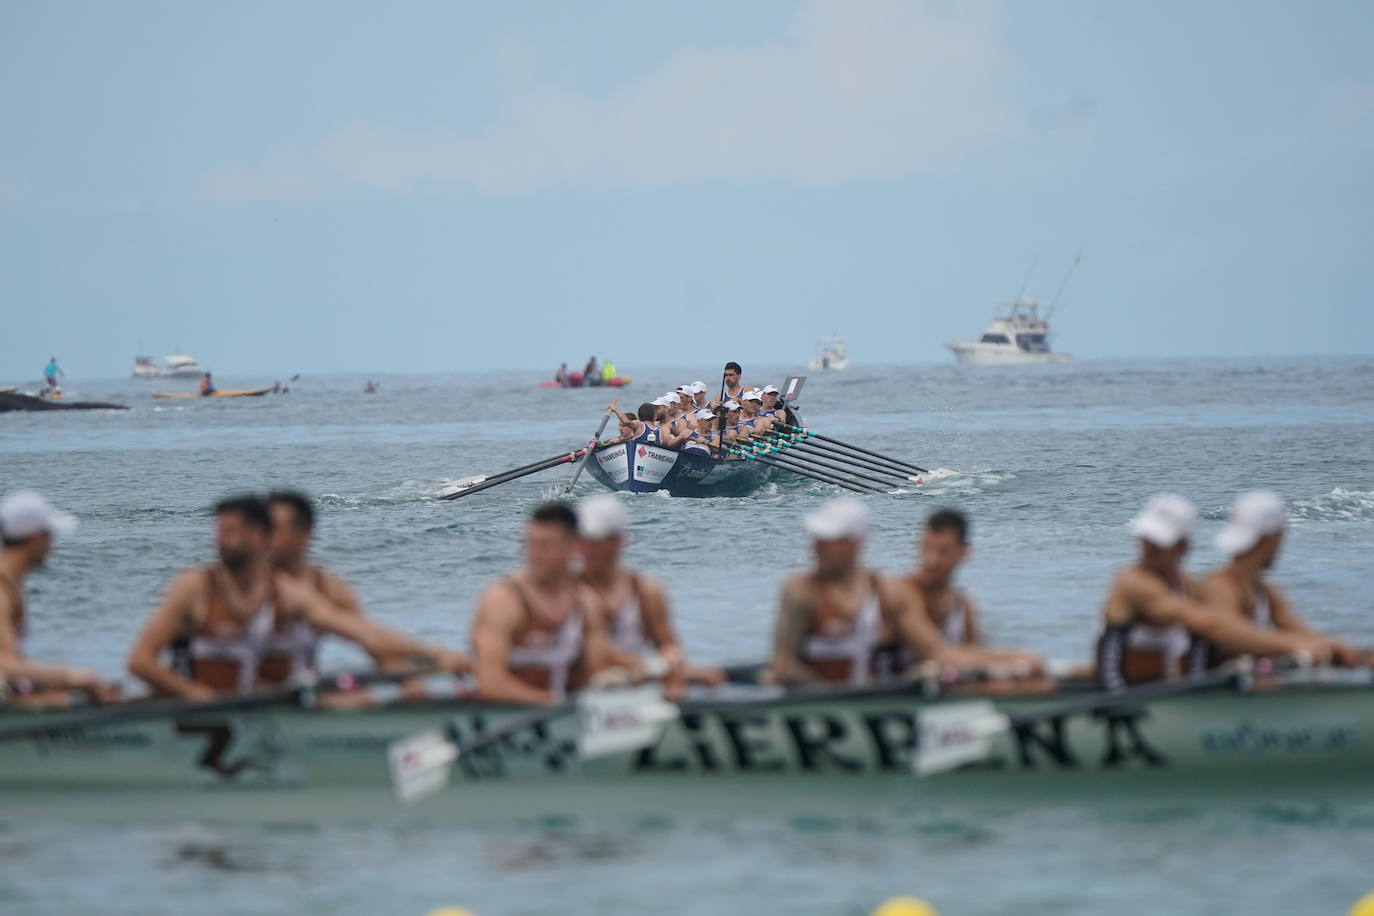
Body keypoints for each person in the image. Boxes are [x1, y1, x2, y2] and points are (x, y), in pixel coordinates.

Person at [127, 495, 465, 699]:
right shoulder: (194, 586)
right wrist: (194, 696)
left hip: (260, 705)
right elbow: (139, 661)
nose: (218, 541)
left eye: (229, 532)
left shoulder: (293, 593)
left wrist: (429, 658)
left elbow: (364, 634)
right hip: (192, 709)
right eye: (219, 532)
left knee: (355, 699)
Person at [1094, 494, 1344, 691]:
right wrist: (1298, 646)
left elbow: (1226, 618)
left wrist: (1329, 648)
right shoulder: (1133, 582)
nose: (1148, 548)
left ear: (1184, 547)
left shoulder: (1188, 585)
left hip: (1162, 695)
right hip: (1120, 701)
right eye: (1145, 538)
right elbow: (1214, 625)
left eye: (1159, 542)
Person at [769, 498, 987, 686]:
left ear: (856, 542)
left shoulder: (888, 593)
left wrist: (1010, 660)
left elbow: (937, 653)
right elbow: (783, 667)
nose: (818, 546)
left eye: (830, 540)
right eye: (817, 537)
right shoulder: (799, 591)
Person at [577, 495, 722, 696]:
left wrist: (674, 665)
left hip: (632, 686)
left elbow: (669, 645)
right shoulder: (567, 591)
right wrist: (666, 668)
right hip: (581, 688)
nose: (586, 550)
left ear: (619, 540)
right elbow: (600, 656)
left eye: (596, 541)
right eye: (582, 540)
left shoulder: (646, 590)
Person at [1197, 491, 1362, 667]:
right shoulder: (1220, 586)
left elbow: (1299, 631)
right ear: (1272, 537)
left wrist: (1340, 649)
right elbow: (1232, 634)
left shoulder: (1265, 590)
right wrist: (1297, 645)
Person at [469, 502, 611, 704]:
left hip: (561, 714)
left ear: (574, 547)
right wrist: (551, 701)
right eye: (530, 544)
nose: (534, 554)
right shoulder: (502, 601)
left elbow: (595, 674)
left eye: (545, 546)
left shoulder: (587, 603)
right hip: (505, 714)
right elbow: (491, 684)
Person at [0, 491, 119, 706]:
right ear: (36, 538)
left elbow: (11, 662)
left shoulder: (11, 584)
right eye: (51, 537)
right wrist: (71, 677)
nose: (53, 546)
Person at [896, 509, 1042, 673]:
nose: (932, 560)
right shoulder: (899, 595)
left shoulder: (963, 606)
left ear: (963, 552)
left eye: (943, 551)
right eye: (927, 548)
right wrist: (1019, 661)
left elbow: (975, 654)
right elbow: (937, 654)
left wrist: (1017, 658)